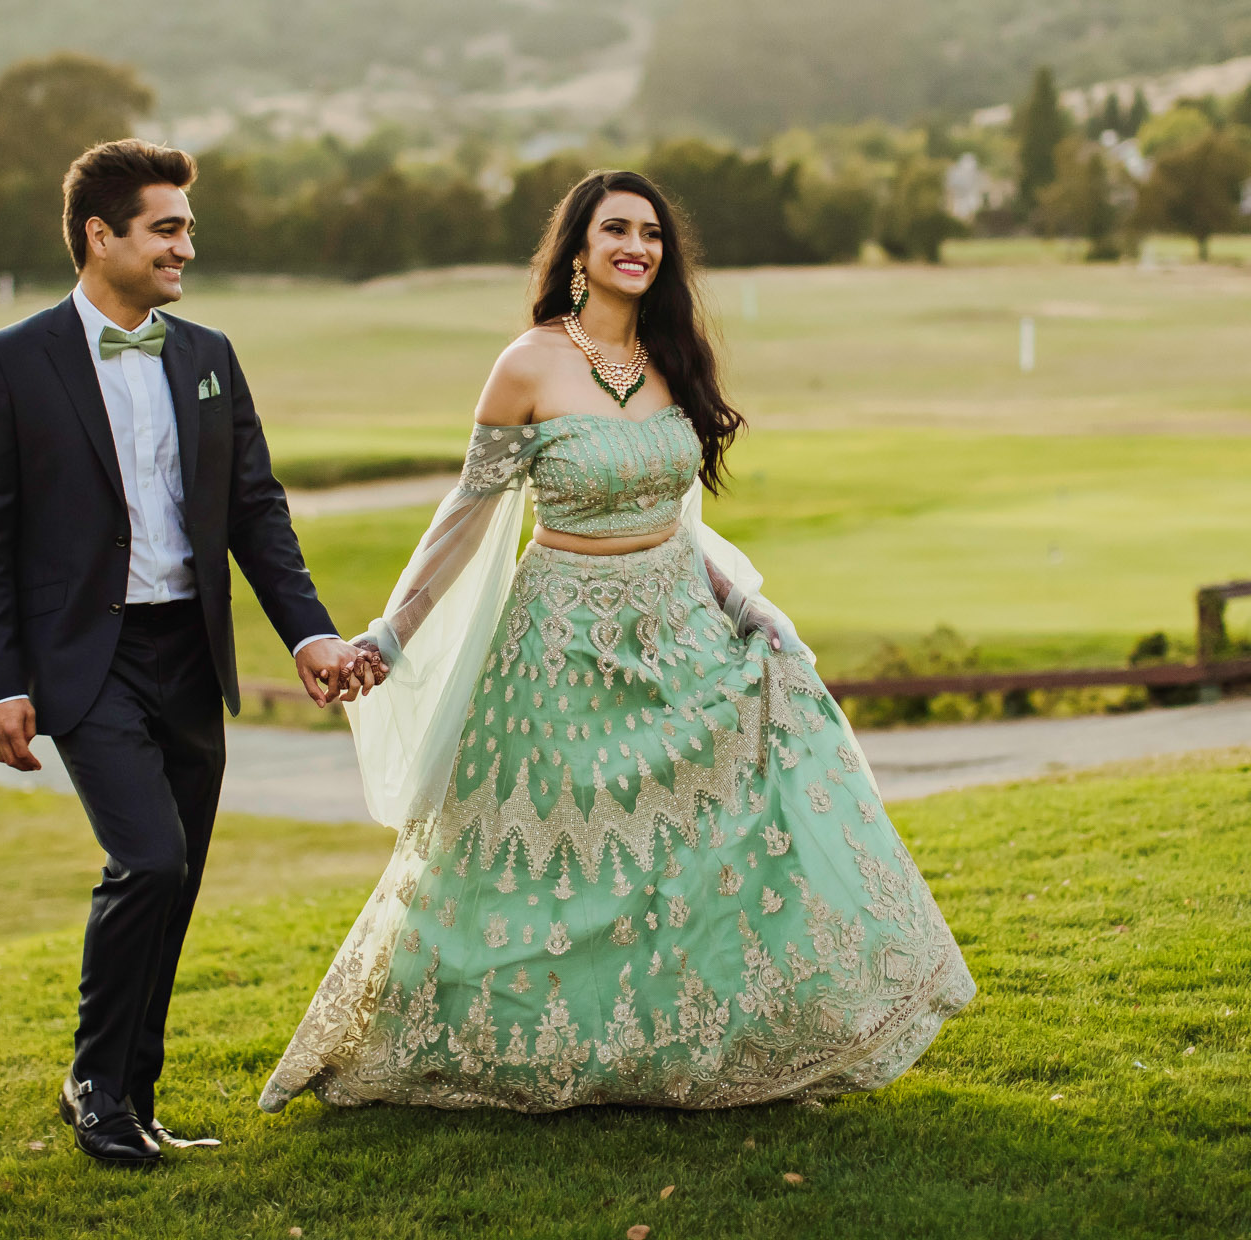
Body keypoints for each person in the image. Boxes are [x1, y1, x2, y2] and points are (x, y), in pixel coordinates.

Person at [260, 170, 971, 1113]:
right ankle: (488, 1043)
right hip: (560, 645)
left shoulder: (676, 356)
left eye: (651, 232)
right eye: (616, 230)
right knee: (548, 862)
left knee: (706, 833)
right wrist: (392, 633)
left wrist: (747, 608)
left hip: (677, 627)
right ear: (580, 250)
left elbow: (680, 516)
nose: (637, 245)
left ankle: (710, 1042)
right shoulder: (528, 364)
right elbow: (469, 515)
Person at [0, 139, 384, 1165]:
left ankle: (131, 1098)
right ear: (100, 236)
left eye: (187, 226)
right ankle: (95, 1085)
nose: (189, 244)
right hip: (84, 661)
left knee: (178, 876)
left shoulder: (207, 357)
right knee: (147, 859)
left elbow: (255, 510)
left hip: (190, 651)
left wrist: (310, 630)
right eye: (168, 227)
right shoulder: (9, 362)